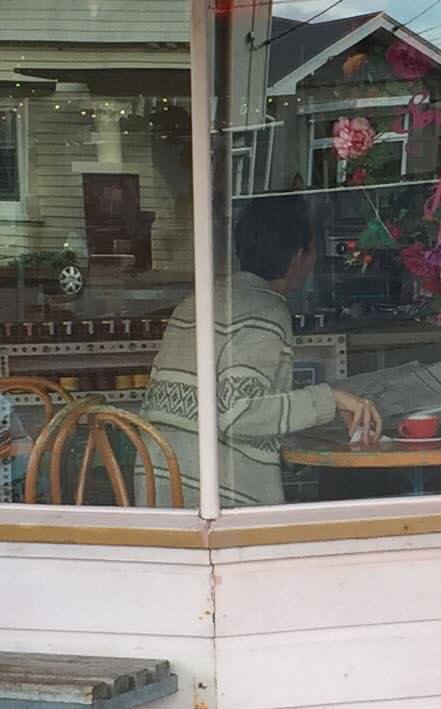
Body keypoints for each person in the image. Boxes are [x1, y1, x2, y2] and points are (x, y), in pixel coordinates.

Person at [146, 193, 380, 505]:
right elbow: (240, 412)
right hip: (215, 502)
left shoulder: (198, 301)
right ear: (299, 256)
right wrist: (329, 397)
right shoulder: (266, 311)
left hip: (159, 490)